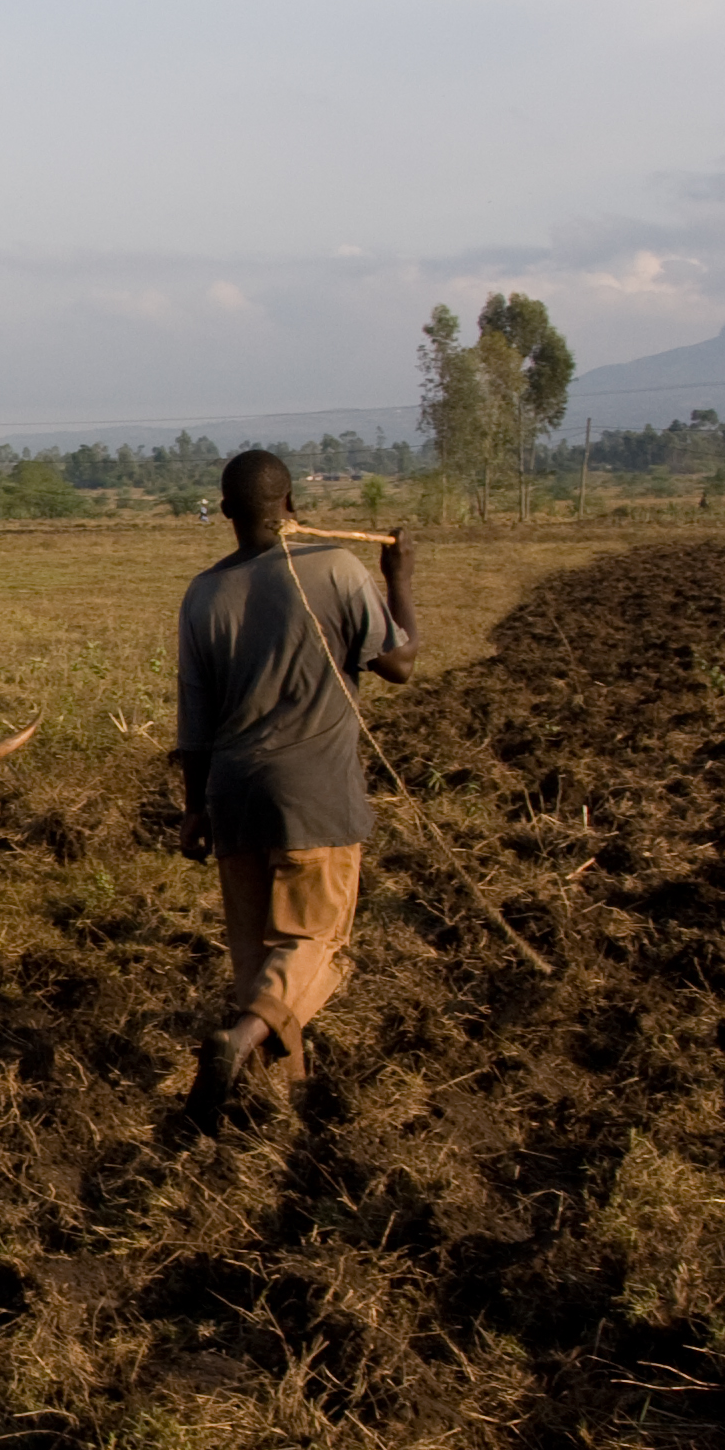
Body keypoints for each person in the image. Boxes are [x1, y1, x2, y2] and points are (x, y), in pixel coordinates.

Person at [173, 450, 416, 1129]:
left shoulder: (203, 595)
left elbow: (194, 721)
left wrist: (194, 808)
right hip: (315, 797)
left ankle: (277, 1104)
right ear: (291, 508)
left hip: (232, 794)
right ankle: (241, 1039)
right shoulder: (336, 567)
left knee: (257, 960)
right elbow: (397, 662)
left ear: (225, 513)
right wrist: (400, 580)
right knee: (315, 944)